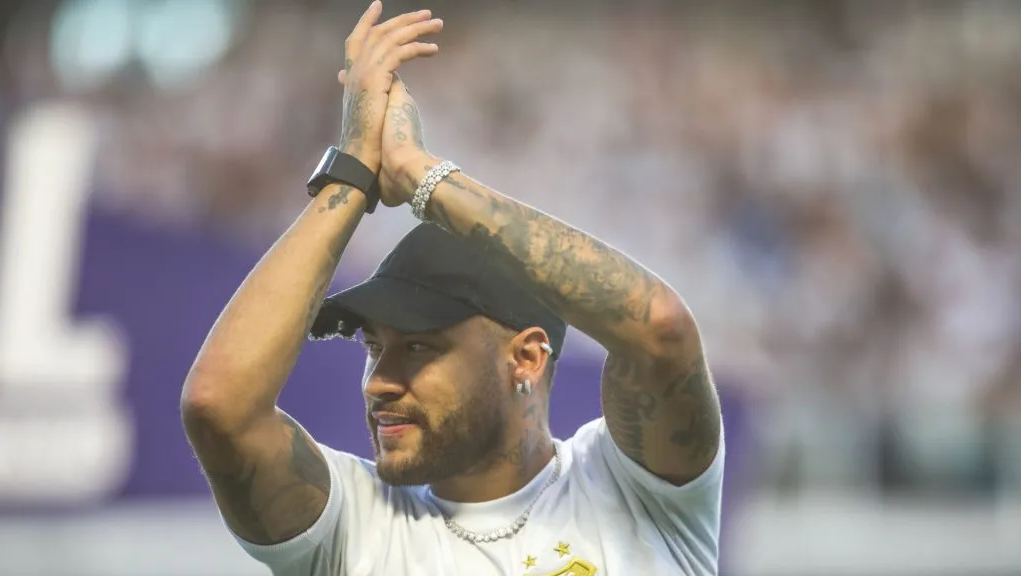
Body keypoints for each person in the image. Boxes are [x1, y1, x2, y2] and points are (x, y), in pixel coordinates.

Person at [181, 3, 724, 574]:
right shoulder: (355, 524)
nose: (378, 383)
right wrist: (353, 172)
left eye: (419, 346)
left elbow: (659, 329)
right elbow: (218, 407)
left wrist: (421, 175)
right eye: (373, 347)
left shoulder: (631, 489)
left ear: (528, 358)